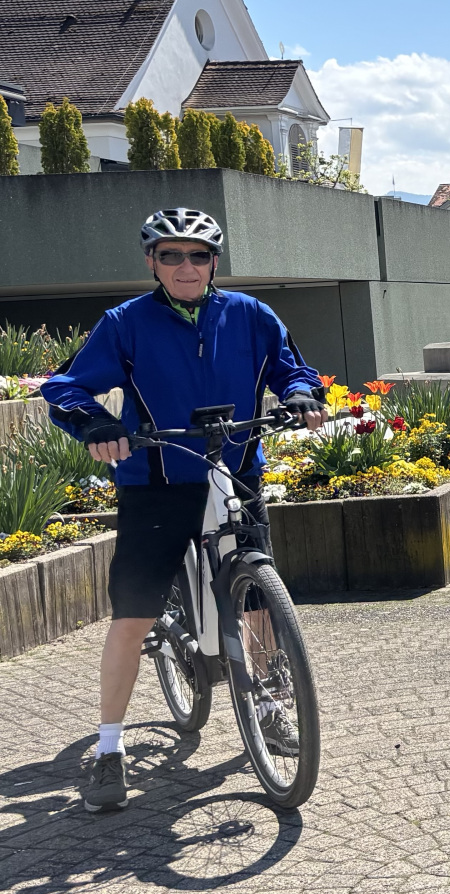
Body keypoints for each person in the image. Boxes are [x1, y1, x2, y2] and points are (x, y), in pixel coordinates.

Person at [40, 208, 326, 813]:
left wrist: (300, 393)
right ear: (152, 262)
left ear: (214, 262)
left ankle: (267, 704)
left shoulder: (251, 314)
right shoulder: (125, 323)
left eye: (198, 255)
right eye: (171, 255)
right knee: (134, 615)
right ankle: (110, 748)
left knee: (257, 599)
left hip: (235, 471)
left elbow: (290, 367)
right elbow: (65, 388)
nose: (186, 266)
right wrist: (96, 424)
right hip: (156, 479)